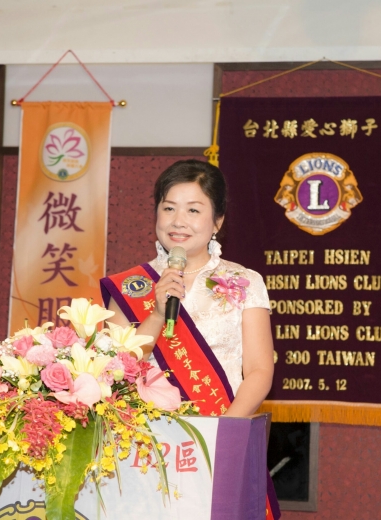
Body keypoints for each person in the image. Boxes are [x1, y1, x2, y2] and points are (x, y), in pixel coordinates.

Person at [100, 159, 280, 518]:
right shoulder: (130, 287)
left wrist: (221, 435)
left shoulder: (245, 282)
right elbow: (115, 370)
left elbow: (260, 370)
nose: (178, 221)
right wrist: (156, 313)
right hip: (144, 448)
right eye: (168, 208)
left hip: (222, 436)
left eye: (193, 210)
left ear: (218, 221)